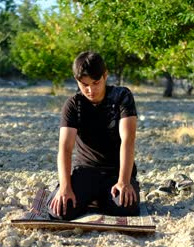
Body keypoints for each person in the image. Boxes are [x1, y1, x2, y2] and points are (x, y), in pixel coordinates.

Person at [47, 51, 140, 220]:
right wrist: (65, 187)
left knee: (127, 208)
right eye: (84, 85)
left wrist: (124, 182)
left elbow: (128, 140)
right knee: (60, 211)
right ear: (77, 81)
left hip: (116, 172)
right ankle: (94, 197)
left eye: (96, 83)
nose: (90, 90)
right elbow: (65, 149)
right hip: (86, 171)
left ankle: (100, 198)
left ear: (105, 75)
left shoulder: (122, 96)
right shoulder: (73, 105)